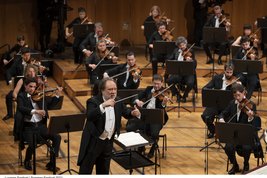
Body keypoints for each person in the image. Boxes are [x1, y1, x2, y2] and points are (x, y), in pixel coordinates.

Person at [77, 78, 141, 174]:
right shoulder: (92, 101)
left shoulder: (118, 101)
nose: (113, 92)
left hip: (107, 143)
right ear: (102, 90)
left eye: (115, 89)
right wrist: (103, 105)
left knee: (103, 171)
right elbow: (90, 116)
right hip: (93, 142)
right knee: (86, 170)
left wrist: (132, 112)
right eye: (110, 89)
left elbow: (125, 111)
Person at [15, 77, 62, 171]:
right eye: (30, 86)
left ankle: (52, 163)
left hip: (41, 126)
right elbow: (21, 108)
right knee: (32, 144)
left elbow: (51, 105)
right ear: (25, 86)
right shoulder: (21, 96)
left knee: (57, 137)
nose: (32, 89)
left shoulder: (40, 96)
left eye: (34, 87)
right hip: (28, 128)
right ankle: (27, 160)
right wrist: (36, 111)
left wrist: (57, 95)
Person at [218, 83, 262, 174]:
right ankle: (235, 165)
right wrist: (221, 119)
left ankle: (246, 164)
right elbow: (223, 113)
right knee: (228, 148)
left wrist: (250, 117)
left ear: (243, 93)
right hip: (234, 135)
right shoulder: (232, 103)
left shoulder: (251, 105)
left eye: (239, 95)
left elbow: (256, 124)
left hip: (246, 135)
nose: (237, 98)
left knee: (247, 148)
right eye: (235, 96)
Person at [127, 74, 169, 158]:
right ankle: (141, 146)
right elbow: (136, 96)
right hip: (145, 116)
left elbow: (161, 109)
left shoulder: (165, 92)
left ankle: (153, 147)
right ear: (152, 82)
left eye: (158, 84)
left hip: (157, 118)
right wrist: (138, 101)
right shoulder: (148, 89)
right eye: (155, 83)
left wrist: (164, 103)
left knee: (154, 133)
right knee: (130, 128)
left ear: (162, 83)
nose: (156, 86)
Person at [201, 62, 238, 138]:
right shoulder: (217, 78)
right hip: (216, 103)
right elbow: (206, 88)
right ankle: (213, 130)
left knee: (230, 118)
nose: (229, 74)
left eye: (231, 72)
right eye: (227, 72)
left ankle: (225, 133)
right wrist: (210, 92)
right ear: (224, 71)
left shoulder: (235, 81)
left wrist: (236, 86)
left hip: (227, 106)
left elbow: (239, 94)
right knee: (205, 116)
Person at [166, 36, 197, 103]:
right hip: (178, 73)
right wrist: (170, 61)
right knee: (169, 81)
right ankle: (177, 94)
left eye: (183, 44)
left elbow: (195, 64)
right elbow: (170, 59)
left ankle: (185, 96)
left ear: (186, 44)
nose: (182, 46)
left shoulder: (190, 51)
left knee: (190, 83)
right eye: (180, 45)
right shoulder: (176, 51)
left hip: (188, 73)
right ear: (178, 46)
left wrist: (191, 61)